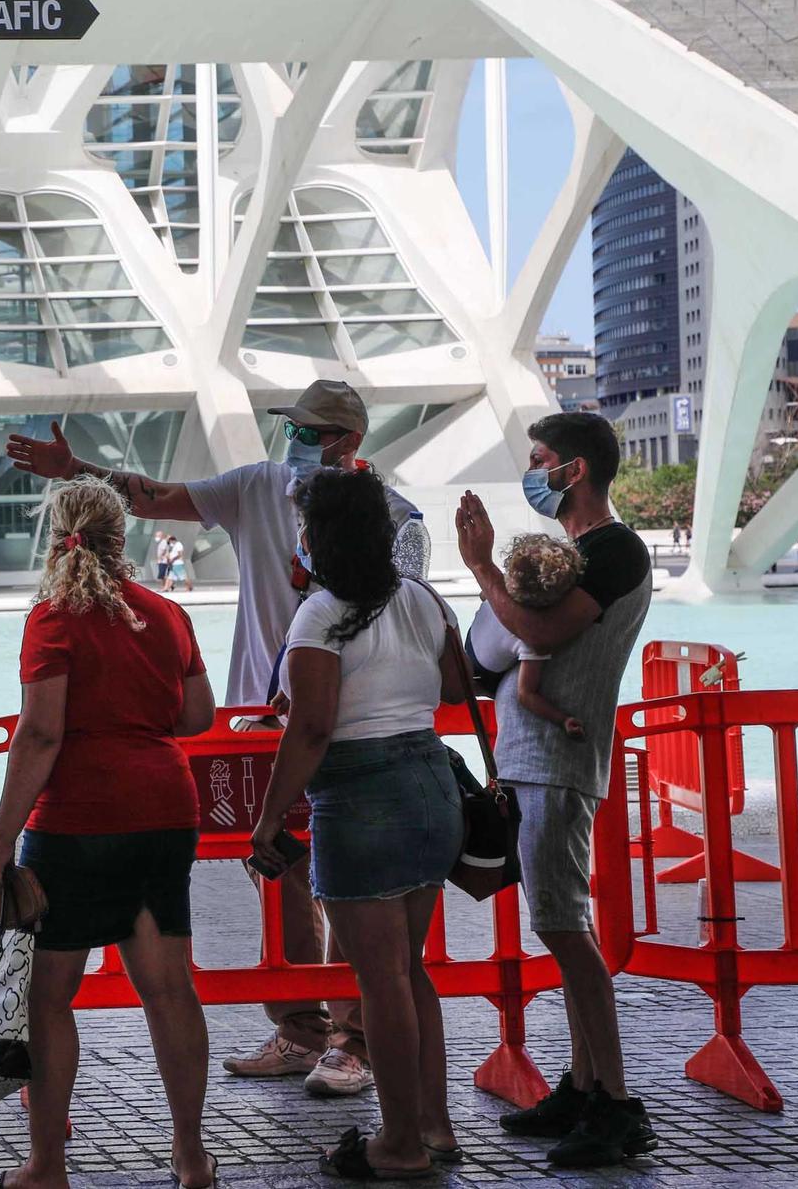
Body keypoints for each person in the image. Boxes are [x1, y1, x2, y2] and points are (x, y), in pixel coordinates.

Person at [8, 380, 416, 1096]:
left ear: (349, 440)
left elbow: (402, 613)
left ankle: (353, 1040)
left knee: (347, 879)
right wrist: (74, 471)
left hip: (351, 726)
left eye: (309, 429)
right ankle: (300, 1029)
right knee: (282, 872)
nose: (293, 439)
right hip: (264, 728)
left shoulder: (395, 515)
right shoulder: (259, 487)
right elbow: (155, 496)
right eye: (291, 425)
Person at [0, 477, 218, 1189]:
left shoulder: (52, 619)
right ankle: (193, 1157)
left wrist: (2, 837)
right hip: (166, 815)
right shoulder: (168, 616)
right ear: (122, 539)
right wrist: (134, 719)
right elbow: (197, 714)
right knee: (169, 990)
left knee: (50, 1000)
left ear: (58, 539)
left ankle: (46, 1164)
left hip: (77, 824)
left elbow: (41, 734)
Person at [250, 468, 466, 1179]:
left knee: (381, 983)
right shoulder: (422, 601)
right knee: (411, 972)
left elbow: (310, 730)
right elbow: (453, 687)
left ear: (319, 538)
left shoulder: (320, 615)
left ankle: (399, 1144)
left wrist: (269, 818)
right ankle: (435, 1127)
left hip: (362, 795)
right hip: (430, 785)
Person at [457, 412, 657, 1168]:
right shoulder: (575, 552)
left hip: (557, 764)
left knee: (566, 931)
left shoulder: (613, 550)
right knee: (558, 923)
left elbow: (536, 638)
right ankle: (582, 1084)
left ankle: (616, 1103)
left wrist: (481, 567)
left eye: (541, 459)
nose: (531, 471)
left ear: (574, 471)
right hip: (534, 761)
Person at [465, 534, 588, 738]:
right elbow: (526, 695)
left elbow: (485, 593)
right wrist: (562, 719)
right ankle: (483, 690)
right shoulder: (532, 637)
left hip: (469, 645)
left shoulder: (499, 593)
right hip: (485, 676)